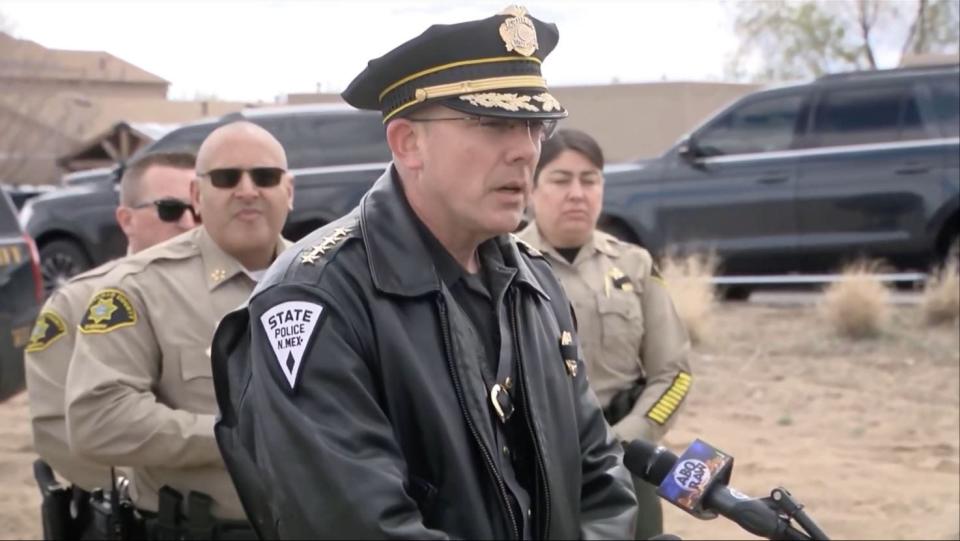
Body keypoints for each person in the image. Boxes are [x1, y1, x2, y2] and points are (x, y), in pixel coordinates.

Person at [211, 7, 637, 540]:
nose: (527, 150)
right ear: (408, 143)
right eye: (495, 123)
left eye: (535, 124)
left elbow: (597, 476)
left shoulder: (533, 283)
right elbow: (359, 525)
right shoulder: (317, 298)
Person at [64, 121, 293, 539]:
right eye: (226, 178)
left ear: (289, 192)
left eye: (265, 176)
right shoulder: (139, 288)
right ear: (196, 196)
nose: (247, 190)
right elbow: (97, 420)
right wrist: (232, 437)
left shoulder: (329, 280)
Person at [518, 128, 693, 540]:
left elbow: (674, 374)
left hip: (627, 456)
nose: (577, 193)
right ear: (532, 189)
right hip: (536, 459)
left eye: (590, 179)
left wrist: (630, 435)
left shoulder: (634, 265)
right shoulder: (503, 264)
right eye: (561, 180)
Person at [25, 151, 198, 538]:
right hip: (131, 518)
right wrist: (148, 485)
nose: (188, 221)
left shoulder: (234, 294)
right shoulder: (79, 303)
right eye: (170, 209)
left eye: (198, 208)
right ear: (126, 220)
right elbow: (56, 429)